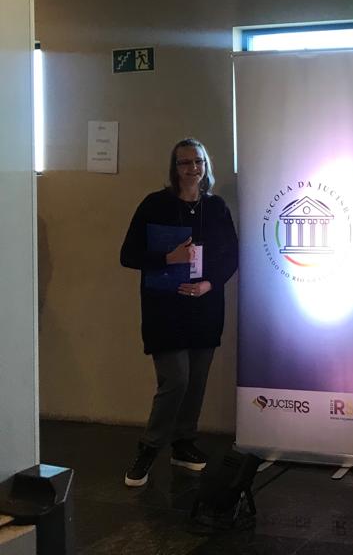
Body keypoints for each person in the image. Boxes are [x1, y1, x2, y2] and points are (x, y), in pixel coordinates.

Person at [119, 138, 239, 487]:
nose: (193, 168)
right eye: (185, 162)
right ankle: (149, 447)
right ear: (174, 168)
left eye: (198, 161)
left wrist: (209, 284)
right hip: (165, 310)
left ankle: (183, 444)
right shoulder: (154, 205)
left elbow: (231, 255)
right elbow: (128, 255)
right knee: (176, 380)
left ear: (206, 165)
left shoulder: (216, 207)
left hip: (205, 307)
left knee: (197, 380)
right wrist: (168, 258)